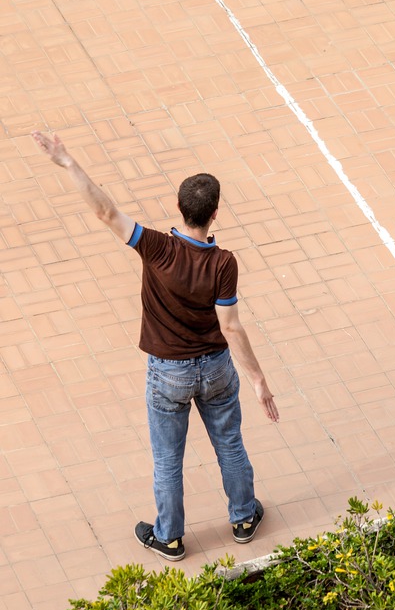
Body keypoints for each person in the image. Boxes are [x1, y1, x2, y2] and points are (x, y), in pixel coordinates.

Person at [33, 130, 280, 560]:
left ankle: (169, 536)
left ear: (180, 208)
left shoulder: (156, 248)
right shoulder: (223, 263)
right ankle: (243, 518)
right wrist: (258, 380)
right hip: (218, 369)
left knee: (168, 460)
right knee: (231, 445)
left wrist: (67, 161)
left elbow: (105, 210)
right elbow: (232, 328)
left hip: (168, 372)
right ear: (214, 213)